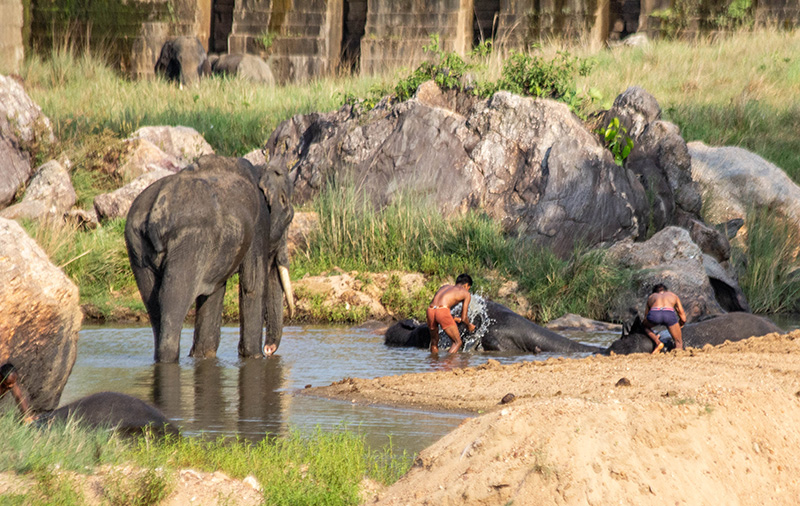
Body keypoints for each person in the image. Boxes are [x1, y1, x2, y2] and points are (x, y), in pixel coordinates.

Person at [426, 274, 476, 354]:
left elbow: (438, 307)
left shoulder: (444, 287)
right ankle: (448, 364)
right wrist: (469, 325)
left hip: (430, 310)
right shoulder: (466, 294)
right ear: (466, 285)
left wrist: (453, 318)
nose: (467, 290)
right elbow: (464, 317)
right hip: (442, 311)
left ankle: (433, 364)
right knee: (457, 342)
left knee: (434, 341)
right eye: (468, 288)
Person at [643, 283, 686, 354]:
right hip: (668, 313)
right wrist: (679, 325)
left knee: (644, 326)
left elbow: (646, 317)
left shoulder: (651, 297)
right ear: (666, 291)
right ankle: (678, 355)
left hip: (655, 312)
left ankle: (658, 342)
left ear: (655, 292)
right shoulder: (673, 295)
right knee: (678, 342)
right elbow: (683, 318)